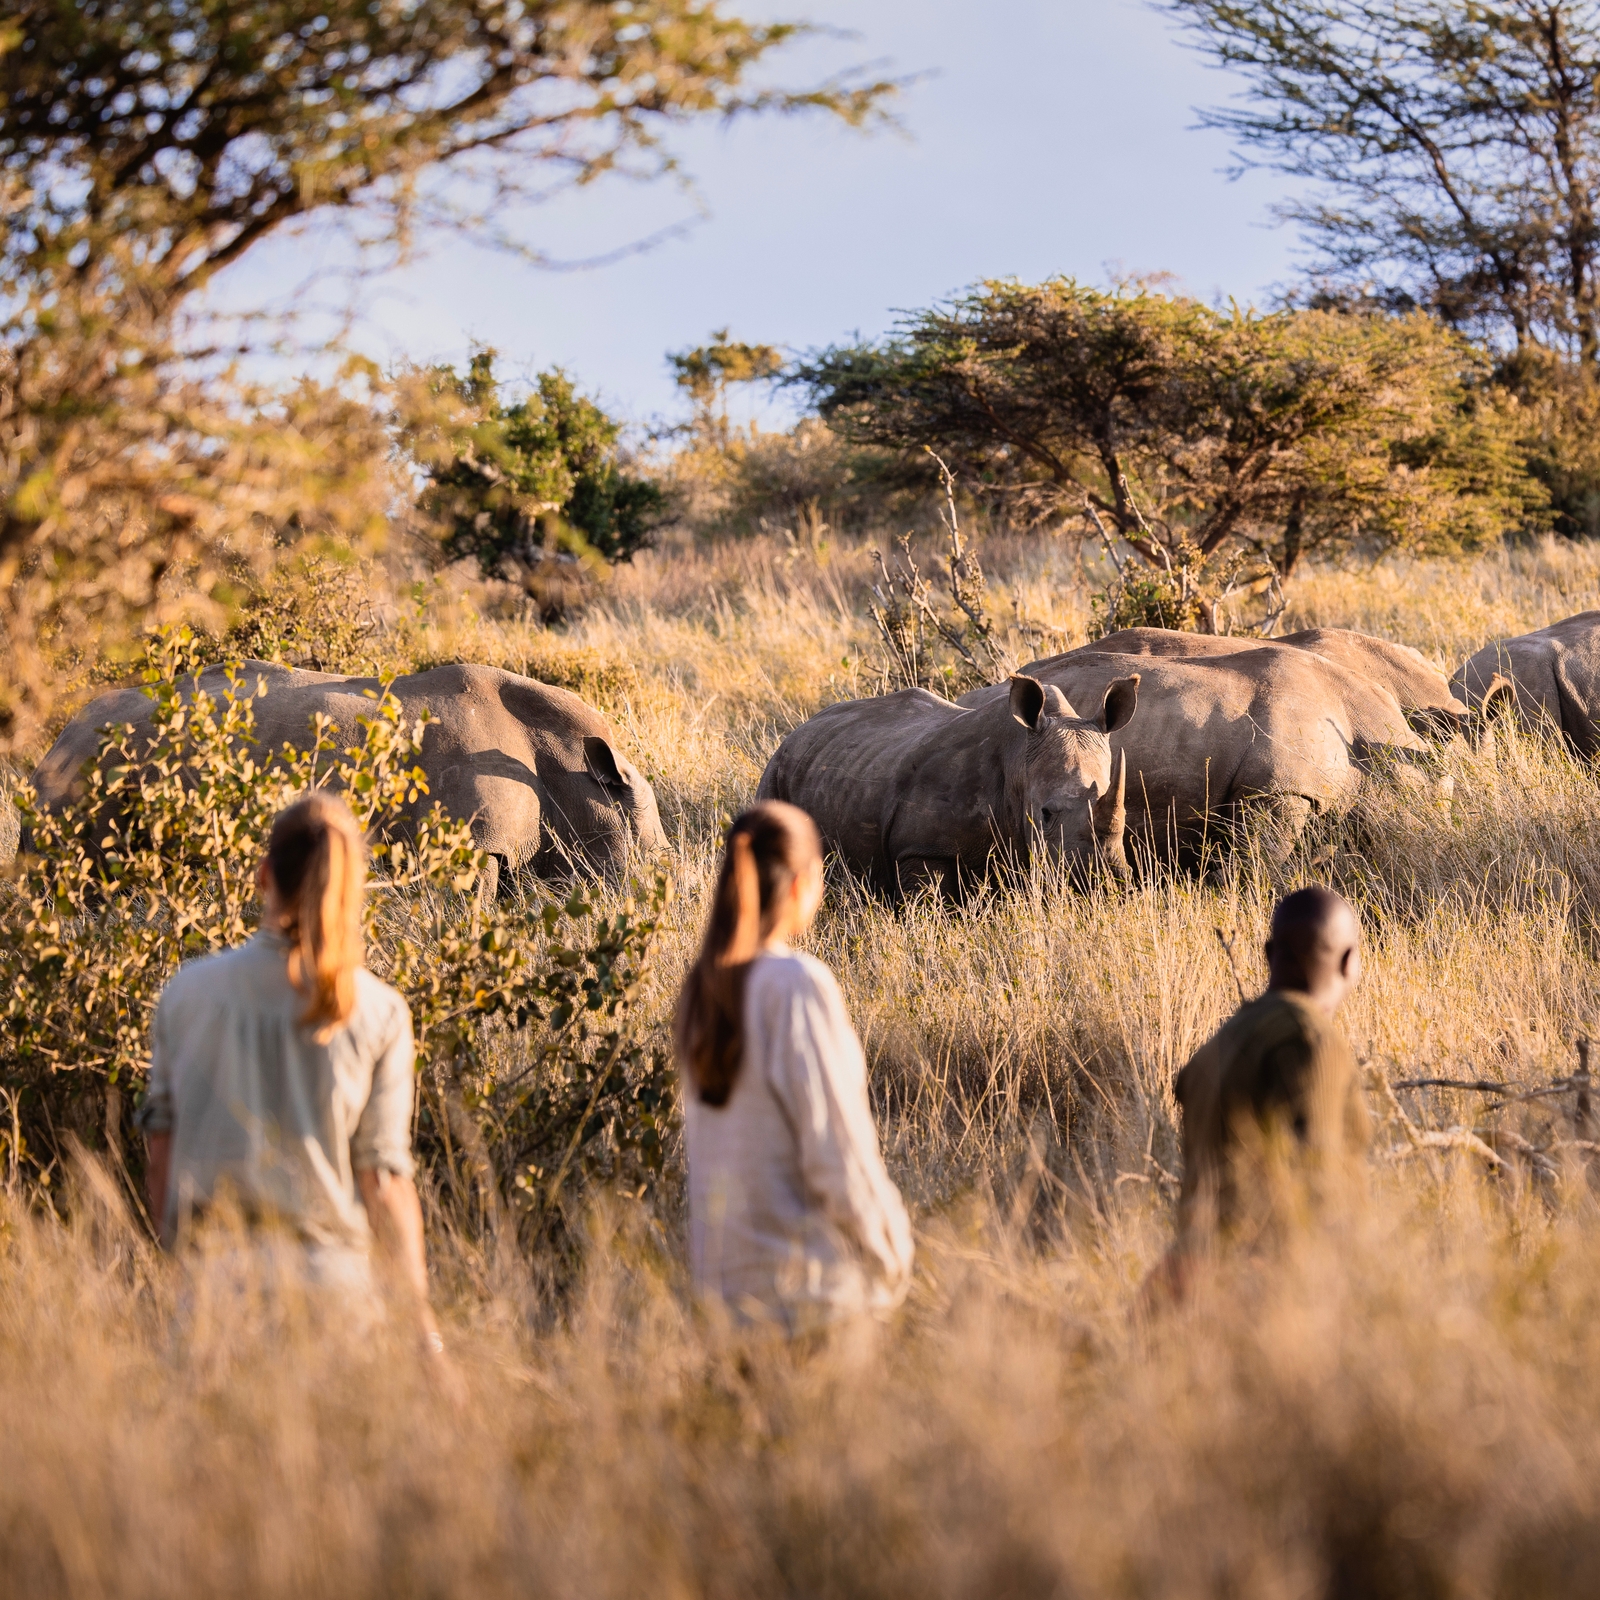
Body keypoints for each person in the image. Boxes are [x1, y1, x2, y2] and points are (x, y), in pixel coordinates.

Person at [138, 793, 447, 1359]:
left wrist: (179, 1273)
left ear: (263, 875)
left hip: (213, 1295)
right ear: (354, 892)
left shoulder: (187, 992)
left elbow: (162, 1153)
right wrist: (424, 1335)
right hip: (337, 1299)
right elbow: (383, 1183)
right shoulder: (379, 1013)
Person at [676, 800, 914, 1333]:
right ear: (799, 885)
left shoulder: (702, 991)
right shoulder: (794, 985)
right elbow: (837, 1151)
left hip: (726, 1303)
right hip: (810, 1297)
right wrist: (892, 1254)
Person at [1171, 885, 1372, 1264]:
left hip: (1205, 1272)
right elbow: (1316, 1183)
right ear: (1349, 962)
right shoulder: (1310, 1039)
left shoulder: (1220, 1043)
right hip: (1271, 1281)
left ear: (1268, 955)